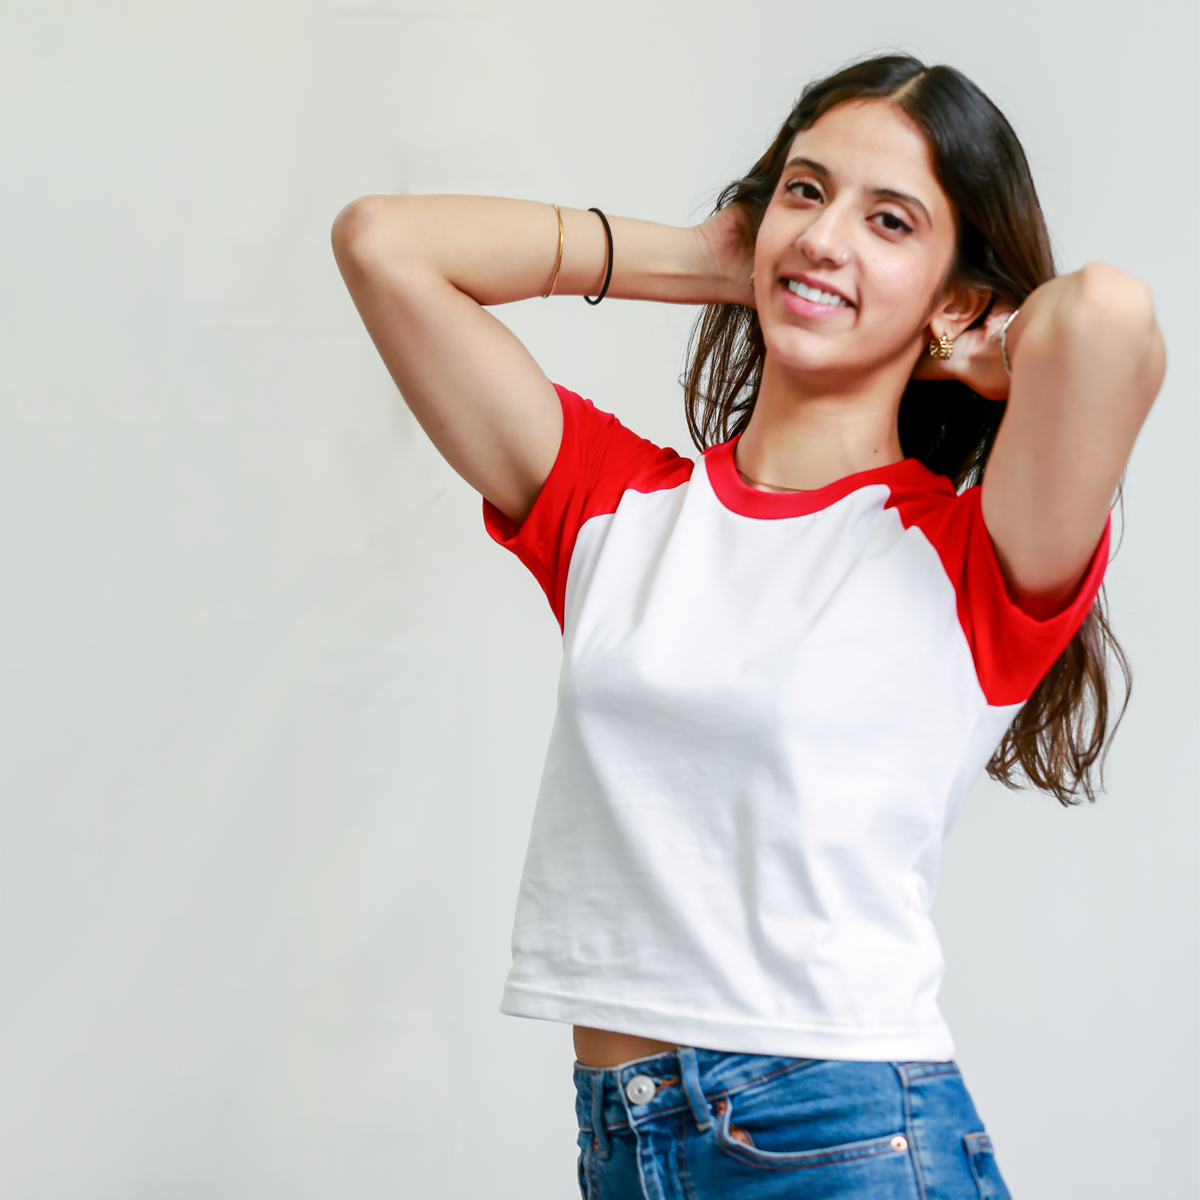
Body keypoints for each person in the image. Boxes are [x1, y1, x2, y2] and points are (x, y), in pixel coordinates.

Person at [331, 53, 1164, 1200]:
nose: (827, 239)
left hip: (844, 1135)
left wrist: (985, 337)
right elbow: (384, 245)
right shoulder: (616, 508)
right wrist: (705, 262)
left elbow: (1110, 319)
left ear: (958, 294)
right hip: (626, 1139)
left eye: (891, 220)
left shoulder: (967, 556)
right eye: (807, 192)